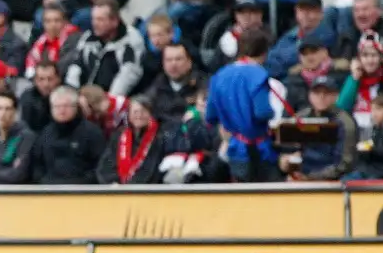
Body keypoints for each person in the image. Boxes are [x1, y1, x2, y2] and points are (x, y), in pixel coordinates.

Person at [207, 28, 284, 181]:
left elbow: (211, 116)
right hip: (260, 150)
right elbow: (262, 112)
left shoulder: (220, 75)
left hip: (234, 148)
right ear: (264, 51)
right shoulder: (258, 75)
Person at [280, 74, 357, 179]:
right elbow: (288, 149)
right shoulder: (300, 118)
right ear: (309, 95)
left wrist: (310, 178)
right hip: (300, 176)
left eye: (327, 93)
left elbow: (344, 163)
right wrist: (284, 161)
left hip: (333, 182)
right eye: (317, 93)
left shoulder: (345, 122)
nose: (321, 97)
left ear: (336, 96)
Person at [66, 0, 145, 97]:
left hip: (118, 100)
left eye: (100, 19)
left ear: (115, 21)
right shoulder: (88, 37)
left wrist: (109, 102)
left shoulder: (131, 41)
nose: (95, 23)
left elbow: (128, 76)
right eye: (93, 19)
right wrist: (72, 94)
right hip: (86, 97)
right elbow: (75, 66)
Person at [31, 85, 106, 182]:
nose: (61, 110)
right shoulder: (45, 133)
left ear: (76, 107)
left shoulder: (92, 132)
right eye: (57, 106)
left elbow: (100, 167)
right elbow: (37, 166)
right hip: (49, 190)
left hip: (83, 191)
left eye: (66, 106)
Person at [97, 95, 169, 183]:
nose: (139, 115)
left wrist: (131, 187)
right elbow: (106, 165)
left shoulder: (160, 137)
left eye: (143, 111)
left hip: (146, 190)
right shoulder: (118, 135)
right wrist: (114, 183)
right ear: (128, 114)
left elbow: (151, 169)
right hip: (117, 189)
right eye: (135, 112)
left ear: (150, 114)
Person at [146, 43, 207, 124]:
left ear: (189, 62)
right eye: (168, 60)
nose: (173, 64)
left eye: (178, 59)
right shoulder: (157, 85)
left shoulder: (203, 84)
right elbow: (145, 103)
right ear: (163, 64)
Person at [26, 4, 81, 80]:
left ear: (64, 22)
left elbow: (63, 68)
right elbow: (31, 63)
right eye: (48, 21)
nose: (53, 25)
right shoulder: (40, 43)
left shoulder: (73, 40)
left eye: (57, 20)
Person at [22, 60, 62, 131]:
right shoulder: (28, 98)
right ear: (35, 80)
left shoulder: (67, 97)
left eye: (50, 79)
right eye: (41, 79)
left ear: (58, 79)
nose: (46, 84)